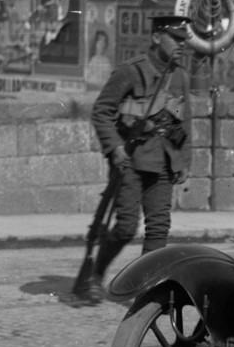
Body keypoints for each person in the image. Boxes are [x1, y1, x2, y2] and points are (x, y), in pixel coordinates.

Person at [76, 15, 193, 304]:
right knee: (126, 227)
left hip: (164, 162)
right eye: (175, 39)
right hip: (131, 160)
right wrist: (114, 148)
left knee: (159, 228)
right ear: (156, 38)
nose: (181, 45)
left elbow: (185, 122)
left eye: (183, 40)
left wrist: (184, 162)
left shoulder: (180, 77)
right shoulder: (130, 71)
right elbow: (101, 112)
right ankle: (95, 275)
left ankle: (147, 287)